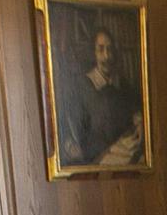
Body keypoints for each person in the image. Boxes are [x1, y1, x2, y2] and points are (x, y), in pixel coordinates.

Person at [61, 26, 143, 166]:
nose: (107, 56)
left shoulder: (122, 84)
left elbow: (135, 110)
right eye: (101, 50)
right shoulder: (82, 86)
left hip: (125, 149)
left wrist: (140, 123)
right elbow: (73, 129)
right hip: (97, 156)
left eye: (110, 49)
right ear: (93, 53)